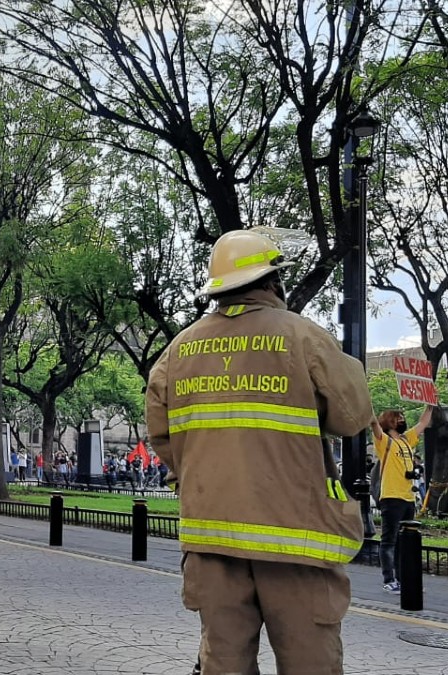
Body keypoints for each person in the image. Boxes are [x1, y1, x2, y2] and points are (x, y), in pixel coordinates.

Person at [145, 229, 373, 675]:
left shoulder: (177, 351)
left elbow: (163, 438)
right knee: (311, 663)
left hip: (211, 541)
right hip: (294, 541)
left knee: (223, 662)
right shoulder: (303, 337)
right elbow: (352, 416)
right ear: (274, 282)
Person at [370, 405, 433, 595]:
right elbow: (372, 422)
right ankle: (389, 580)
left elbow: (423, 423)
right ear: (389, 421)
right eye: (398, 418)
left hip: (408, 498)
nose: (402, 420)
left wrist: (430, 404)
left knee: (404, 541)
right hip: (391, 497)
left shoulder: (406, 441)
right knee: (389, 540)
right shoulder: (385, 442)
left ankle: (403, 578)